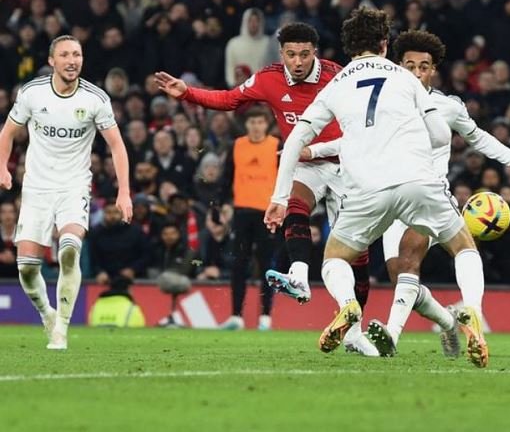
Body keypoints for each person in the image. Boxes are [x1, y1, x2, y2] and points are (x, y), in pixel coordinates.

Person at [304, 29, 510, 357]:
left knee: (410, 258)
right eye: (409, 65)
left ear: (433, 69)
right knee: (402, 276)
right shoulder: (385, 101)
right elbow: (353, 140)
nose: (416, 72)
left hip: (428, 195)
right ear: (398, 65)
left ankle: (392, 336)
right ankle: (449, 322)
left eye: (423, 66)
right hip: (388, 193)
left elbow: (478, 137)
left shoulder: (446, 106)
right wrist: (314, 151)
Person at [264, 8, 490, 368]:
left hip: (365, 188)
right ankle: (473, 313)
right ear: (385, 44)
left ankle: (347, 304)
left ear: (349, 47)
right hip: (417, 180)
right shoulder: (407, 80)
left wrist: (279, 198)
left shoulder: (335, 85)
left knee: (335, 259)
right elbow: (438, 134)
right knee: (463, 245)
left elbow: (294, 143)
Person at [154, 22, 375, 354]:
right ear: (282, 54)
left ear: (314, 52)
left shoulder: (339, 77)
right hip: (304, 166)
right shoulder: (269, 78)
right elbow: (229, 99)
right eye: (290, 55)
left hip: (345, 165)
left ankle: (355, 332)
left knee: (356, 257)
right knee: (295, 205)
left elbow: (365, 127)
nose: (297, 62)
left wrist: (314, 150)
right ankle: (298, 274)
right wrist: (187, 93)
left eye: (304, 54)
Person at [0, 35, 133, 350]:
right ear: (52, 61)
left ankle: (61, 327)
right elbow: (7, 133)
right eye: (65, 55)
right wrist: (3, 167)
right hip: (36, 187)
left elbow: (117, 145)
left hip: (74, 186)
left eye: (77, 54)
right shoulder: (31, 94)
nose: (72, 60)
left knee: (70, 249)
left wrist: (124, 191)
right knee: (28, 268)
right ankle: (47, 313)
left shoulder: (95, 99)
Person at [218, 109, 279, 331]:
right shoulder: (237, 145)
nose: (255, 126)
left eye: (259, 122)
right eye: (252, 121)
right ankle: (236, 316)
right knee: (238, 265)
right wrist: (220, 203)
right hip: (242, 212)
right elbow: (227, 178)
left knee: (266, 266)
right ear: (246, 124)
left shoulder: (275, 146)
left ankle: (265, 316)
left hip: (267, 214)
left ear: (266, 124)